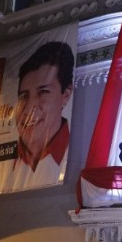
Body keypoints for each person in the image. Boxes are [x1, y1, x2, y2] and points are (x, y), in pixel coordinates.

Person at [11, 41, 75, 189]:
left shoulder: (74, 157)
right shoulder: (3, 169)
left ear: (65, 94)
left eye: (43, 92)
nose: (28, 109)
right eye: (24, 96)